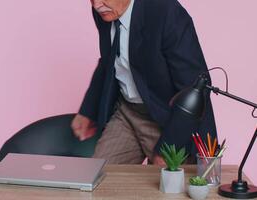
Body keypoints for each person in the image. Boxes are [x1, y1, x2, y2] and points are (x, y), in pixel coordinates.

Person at [71, 0, 217, 165]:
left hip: (169, 121)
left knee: (170, 187)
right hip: (127, 113)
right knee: (99, 179)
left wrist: (169, 146)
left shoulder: (166, 12)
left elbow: (196, 87)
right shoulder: (105, 13)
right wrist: (88, 110)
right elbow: (109, 61)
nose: (97, 5)